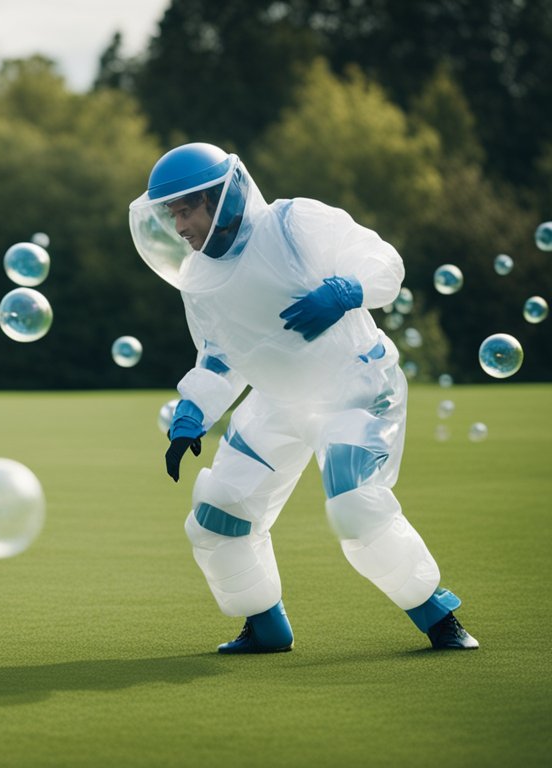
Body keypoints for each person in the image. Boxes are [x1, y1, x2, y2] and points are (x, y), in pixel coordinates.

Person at [128, 143, 477, 654]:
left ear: (220, 200)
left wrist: (345, 290)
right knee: (216, 513)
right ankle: (265, 626)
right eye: (172, 214)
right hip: (277, 400)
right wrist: (192, 412)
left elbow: (383, 262)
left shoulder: (294, 223)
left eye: (186, 210)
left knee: (354, 504)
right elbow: (220, 357)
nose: (179, 226)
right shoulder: (199, 278)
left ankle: (438, 615)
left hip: (354, 385)